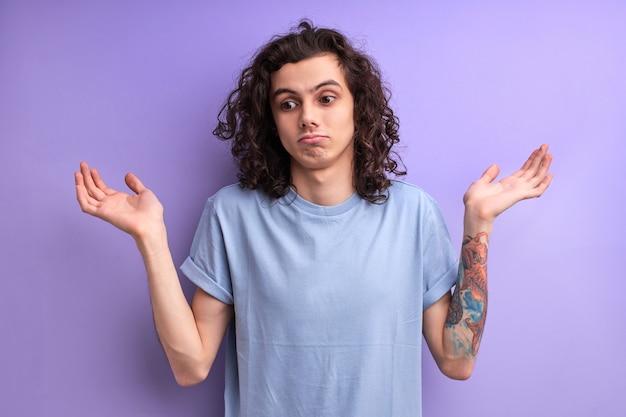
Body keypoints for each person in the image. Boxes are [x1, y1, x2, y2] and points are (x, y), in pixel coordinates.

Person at [75, 20, 553, 417]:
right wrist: (151, 238)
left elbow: (457, 360)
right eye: (288, 103)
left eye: (326, 98)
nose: (308, 117)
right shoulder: (232, 214)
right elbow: (190, 366)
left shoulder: (413, 214)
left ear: (357, 108)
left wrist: (479, 227)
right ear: (272, 120)